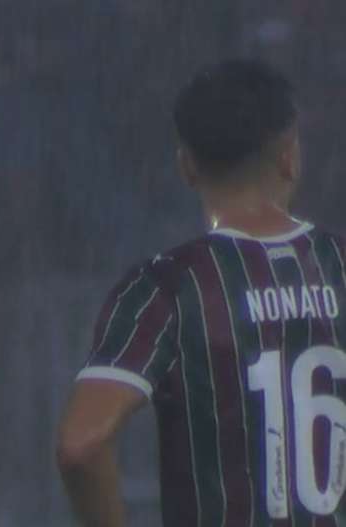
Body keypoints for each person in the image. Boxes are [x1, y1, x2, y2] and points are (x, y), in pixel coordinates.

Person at [57, 58, 346, 526]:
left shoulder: (168, 286)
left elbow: (81, 445)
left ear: (186, 165)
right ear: (290, 156)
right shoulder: (340, 266)